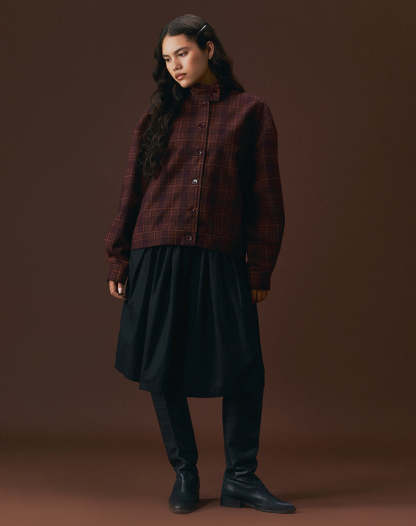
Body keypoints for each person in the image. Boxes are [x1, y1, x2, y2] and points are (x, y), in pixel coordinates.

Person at [104, 13, 295, 515]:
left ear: (208, 49)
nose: (175, 66)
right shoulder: (154, 119)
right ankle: (184, 473)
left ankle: (241, 478)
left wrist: (259, 268)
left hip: (219, 255)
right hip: (156, 252)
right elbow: (132, 192)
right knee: (162, 369)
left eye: (183, 53)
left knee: (244, 369)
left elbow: (267, 199)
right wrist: (118, 257)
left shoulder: (251, 113)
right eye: (167, 59)